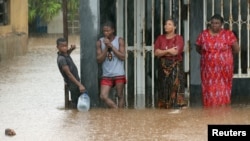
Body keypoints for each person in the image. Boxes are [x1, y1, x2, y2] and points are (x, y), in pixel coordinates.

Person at [195, 14, 240, 108]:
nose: (214, 25)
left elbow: (236, 49)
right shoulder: (203, 34)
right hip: (208, 68)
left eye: (217, 23)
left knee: (223, 86)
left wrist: (225, 57)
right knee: (209, 87)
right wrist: (209, 56)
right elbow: (198, 48)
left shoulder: (228, 34)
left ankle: (223, 107)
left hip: (224, 68)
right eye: (212, 23)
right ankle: (209, 107)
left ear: (222, 24)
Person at [154, 19, 186, 109]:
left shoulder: (178, 38)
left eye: (169, 24)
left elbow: (175, 52)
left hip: (175, 66)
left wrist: (162, 52)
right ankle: (165, 109)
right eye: (165, 24)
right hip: (162, 67)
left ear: (174, 27)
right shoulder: (160, 38)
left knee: (176, 86)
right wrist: (168, 51)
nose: (166, 26)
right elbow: (156, 53)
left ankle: (176, 108)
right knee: (163, 87)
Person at [96, 21, 126, 109]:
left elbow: (123, 57)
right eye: (104, 31)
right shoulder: (100, 42)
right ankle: (116, 110)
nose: (106, 33)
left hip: (119, 74)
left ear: (113, 30)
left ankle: (120, 115)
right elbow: (99, 60)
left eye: (108, 31)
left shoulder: (119, 40)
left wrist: (112, 46)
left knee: (120, 95)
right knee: (103, 96)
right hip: (106, 74)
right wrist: (106, 47)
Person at [56, 37, 86, 108]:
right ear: (57, 47)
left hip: (75, 82)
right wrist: (79, 85)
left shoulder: (65, 55)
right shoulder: (61, 59)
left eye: (66, 46)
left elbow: (67, 53)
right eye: (62, 46)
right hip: (73, 84)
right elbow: (69, 74)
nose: (64, 48)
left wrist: (71, 49)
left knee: (78, 102)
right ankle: (73, 116)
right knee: (75, 103)